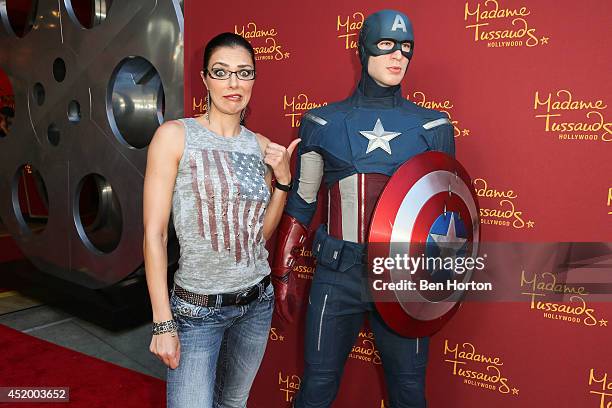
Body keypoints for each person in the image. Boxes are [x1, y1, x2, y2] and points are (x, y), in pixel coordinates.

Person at [272, 10, 454, 408]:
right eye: (386, 45)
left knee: (408, 389)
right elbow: (304, 200)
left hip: (403, 278)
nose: (398, 57)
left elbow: (447, 213)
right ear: (363, 49)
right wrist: (282, 268)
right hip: (338, 273)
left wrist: (439, 279)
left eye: (406, 48)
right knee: (317, 386)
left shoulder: (434, 127)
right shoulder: (322, 121)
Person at [143, 32, 300, 408]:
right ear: (204, 79)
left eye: (244, 73)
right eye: (221, 71)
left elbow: (258, 235)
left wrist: (283, 181)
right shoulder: (175, 136)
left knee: (233, 403)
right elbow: (154, 234)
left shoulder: (261, 146)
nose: (233, 83)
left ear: (253, 80)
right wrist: (163, 323)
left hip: (255, 304)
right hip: (197, 311)